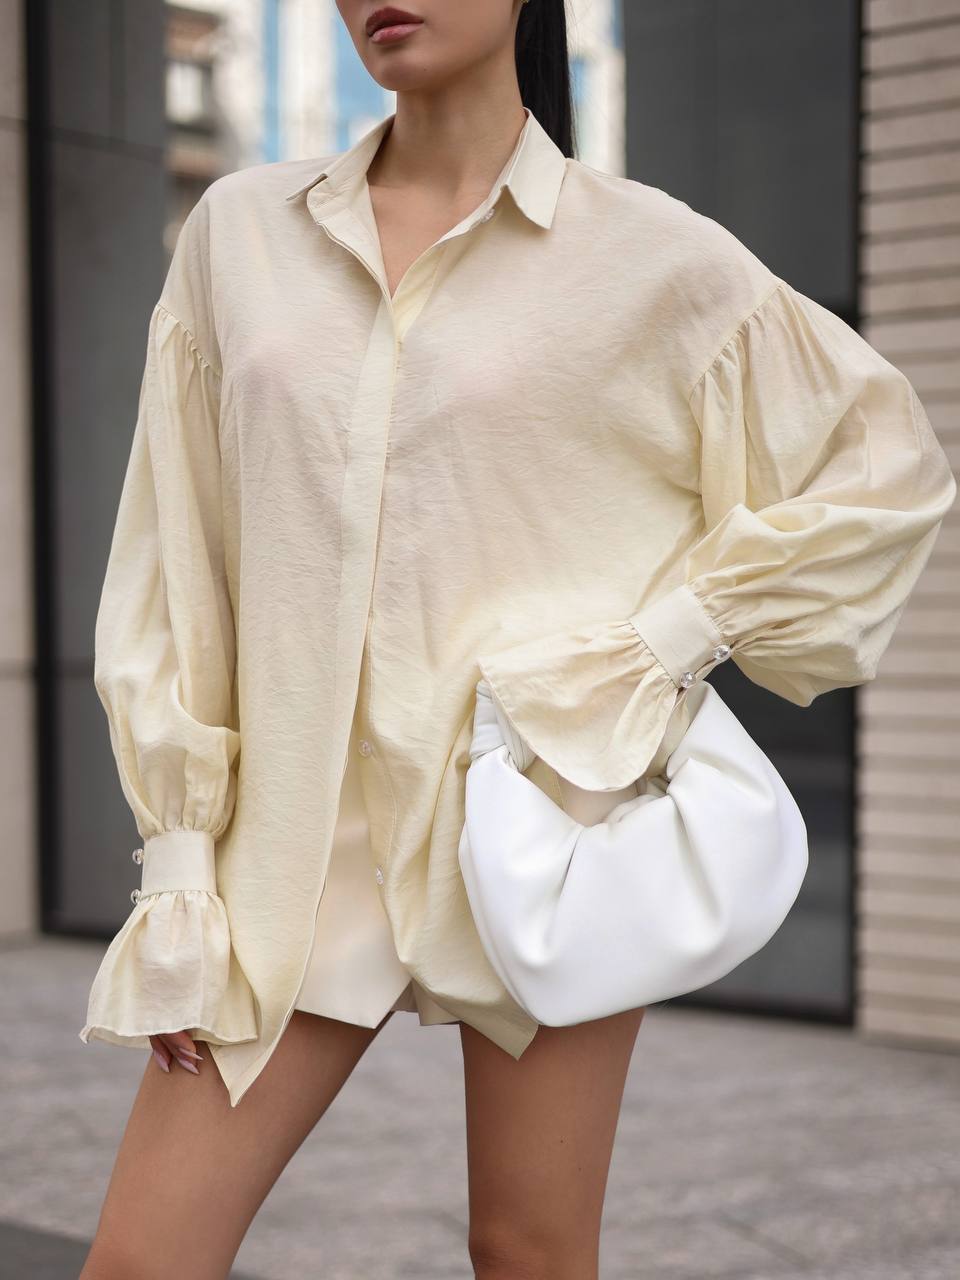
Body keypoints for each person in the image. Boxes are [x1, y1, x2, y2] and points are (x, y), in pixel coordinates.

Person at [78, 2, 957, 1277]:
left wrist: (664, 643)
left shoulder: (654, 258)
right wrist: (177, 853)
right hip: (289, 847)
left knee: (531, 1251)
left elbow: (880, 466)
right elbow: (178, 552)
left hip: (548, 819)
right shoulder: (239, 234)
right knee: (142, 1258)